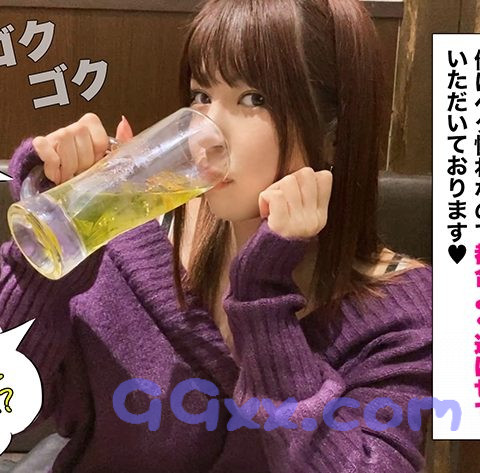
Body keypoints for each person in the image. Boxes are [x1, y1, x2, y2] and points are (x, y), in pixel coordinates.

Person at [1, 0, 432, 471]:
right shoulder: (130, 235)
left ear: (335, 130)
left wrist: (264, 302)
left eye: (254, 99)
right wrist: (53, 235)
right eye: (201, 95)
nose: (204, 136)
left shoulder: (394, 310)